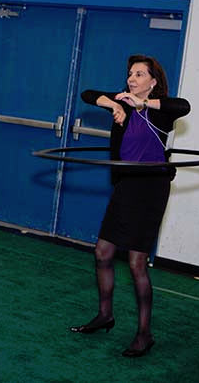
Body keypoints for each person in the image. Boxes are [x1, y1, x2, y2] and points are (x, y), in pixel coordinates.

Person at [70, 54, 190, 358]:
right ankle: (105, 315)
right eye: (130, 74)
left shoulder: (161, 111)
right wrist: (114, 105)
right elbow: (86, 94)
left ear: (152, 81)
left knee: (136, 261)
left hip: (151, 187)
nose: (131, 79)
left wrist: (142, 105)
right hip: (126, 186)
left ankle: (144, 334)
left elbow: (183, 106)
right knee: (103, 252)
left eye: (139, 74)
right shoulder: (122, 99)